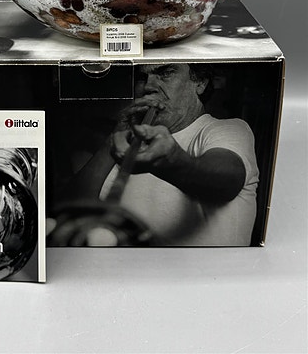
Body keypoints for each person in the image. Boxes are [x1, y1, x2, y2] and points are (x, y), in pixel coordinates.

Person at [59, 63, 259, 247]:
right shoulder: (127, 142)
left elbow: (227, 181)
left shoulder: (226, 129)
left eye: (166, 73)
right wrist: (116, 135)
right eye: (141, 77)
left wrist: (169, 161)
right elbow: (71, 211)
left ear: (200, 83)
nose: (148, 87)